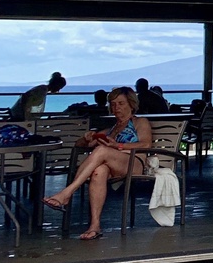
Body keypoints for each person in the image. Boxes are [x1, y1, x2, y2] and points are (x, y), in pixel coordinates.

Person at [42, 86, 153, 240]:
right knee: (98, 171)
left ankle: (67, 193)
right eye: (113, 104)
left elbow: (146, 144)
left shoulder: (140, 122)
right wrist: (86, 139)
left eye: (121, 103)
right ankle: (95, 226)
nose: (116, 108)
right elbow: (80, 145)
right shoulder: (111, 129)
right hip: (114, 164)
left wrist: (118, 146)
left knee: (101, 150)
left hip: (135, 163)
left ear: (131, 104)